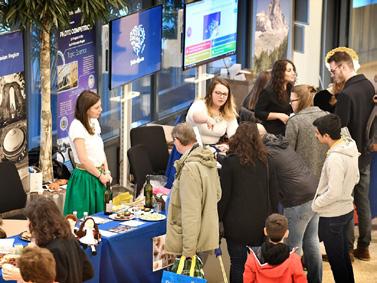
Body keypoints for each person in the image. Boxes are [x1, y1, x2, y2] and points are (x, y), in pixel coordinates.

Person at [327, 47, 375, 260]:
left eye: (333, 70)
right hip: (366, 153)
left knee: (344, 200)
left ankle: (346, 249)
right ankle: (364, 247)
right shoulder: (369, 87)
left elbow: (339, 128)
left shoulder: (346, 94)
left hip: (349, 156)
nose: (333, 74)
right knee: (362, 199)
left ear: (343, 66)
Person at [259, 125, 322, 283]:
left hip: (297, 200)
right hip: (313, 192)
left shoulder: (268, 152)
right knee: (312, 240)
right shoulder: (281, 145)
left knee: (294, 246)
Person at [218, 122, 276, 283]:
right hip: (260, 224)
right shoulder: (267, 161)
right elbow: (274, 193)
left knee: (237, 264)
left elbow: (224, 197)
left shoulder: (230, 162)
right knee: (257, 265)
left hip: (235, 225)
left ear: (236, 138)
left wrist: (218, 218)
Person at [312, 114, 359, 283]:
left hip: (332, 216)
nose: (315, 136)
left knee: (337, 262)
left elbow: (334, 192)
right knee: (343, 259)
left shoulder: (335, 158)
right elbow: (357, 178)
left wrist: (316, 204)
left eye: (317, 133)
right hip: (345, 211)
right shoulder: (350, 148)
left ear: (326, 136)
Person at [2, 197, 93, 283]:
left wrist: (22, 276)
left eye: (30, 220)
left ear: (39, 224)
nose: (27, 224)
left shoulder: (53, 250)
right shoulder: (69, 237)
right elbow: (87, 272)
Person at [165, 123, 221, 260]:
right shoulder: (208, 160)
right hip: (205, 236)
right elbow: (218, 194)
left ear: (177, 141)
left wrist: (188, 252)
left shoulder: (189, 169)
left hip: (191, 244)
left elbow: (191, 214)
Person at [64, 90, 112, 218]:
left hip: (99, 175)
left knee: (101, 216)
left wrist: (106, 171)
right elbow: (83, 159)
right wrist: (101, 176)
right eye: (96, 107)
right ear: (86, 109)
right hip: (85, 178)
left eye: (100, 106)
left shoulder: (94, 121)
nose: (100, 110)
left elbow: (100, 149)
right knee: (83, 219)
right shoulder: (77, 127)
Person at [243, 213, 307, 283]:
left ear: (265, 231)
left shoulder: (253, 258)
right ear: (286, 233)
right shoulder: (294, 259)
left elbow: (247, 280)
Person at [286, 84, 328, 184]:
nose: (290, 104)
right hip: (325, 179)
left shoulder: (294, 121)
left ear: (302, 100)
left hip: (302, 181)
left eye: (292, 101)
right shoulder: (327, 116)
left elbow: (288, 155)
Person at [186, 76, 238, 145]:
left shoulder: (229, 112)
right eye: (218, 93)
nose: (221, 97)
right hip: (192, 147)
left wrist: (227, 146)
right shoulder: (200, 104)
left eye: (224, 94)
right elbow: (194, 116)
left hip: (213, 149)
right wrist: (207, 119)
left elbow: (234, 135)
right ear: (210, 94)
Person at [255, 59, 296, 135]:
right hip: (272, 132)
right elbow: (258, 112)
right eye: (289, 70)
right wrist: (278, 115)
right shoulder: (268, 91)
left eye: (293, 70)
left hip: (287, 128)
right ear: (280, 73)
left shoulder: (290, 88)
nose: (293, 73)